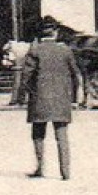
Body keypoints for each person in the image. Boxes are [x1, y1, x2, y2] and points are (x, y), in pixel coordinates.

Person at [20, 21, 85, 180]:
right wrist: (74, 98)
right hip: (61, 100)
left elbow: (26, 77)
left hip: (39, 99)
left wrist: (29, 94)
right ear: (55, 33)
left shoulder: (35, 50)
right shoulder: (66, 51)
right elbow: (75, 75)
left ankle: (40, 169)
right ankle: (65, 172)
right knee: (62, 135)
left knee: (38, 134)